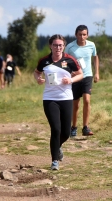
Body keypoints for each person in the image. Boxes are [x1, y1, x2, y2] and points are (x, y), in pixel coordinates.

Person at [34, 34, 83, 170]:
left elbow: (80, 74)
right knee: (56, 129)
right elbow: (36, 72)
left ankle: (57, 146)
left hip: (66, 98)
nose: (58, 47)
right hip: (50, 99)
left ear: (64, 46)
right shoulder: (44, 61)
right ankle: (54, 160)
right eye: (55, 45)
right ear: (50, 46)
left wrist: (71, 80)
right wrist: (38, 79)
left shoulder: (70, 60)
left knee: (66, 132)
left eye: (60, 45)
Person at [64, 25, 100, 137]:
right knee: (76, 105)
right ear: (76, 35)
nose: (82, 37)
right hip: (75, 77)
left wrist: (97, 72)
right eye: (80, 34)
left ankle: (85, 127)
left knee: (87, 100)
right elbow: (64, 62)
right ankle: (73, 127)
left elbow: (95, 57)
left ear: (87, 35)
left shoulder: (91, 45)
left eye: (84, 34)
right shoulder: (70, 47)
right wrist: (70, 72)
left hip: (87, 75)